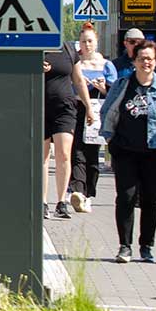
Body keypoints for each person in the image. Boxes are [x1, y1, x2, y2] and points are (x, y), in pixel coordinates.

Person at [100, 42, 156, 263]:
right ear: (134, 61)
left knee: (151, 200)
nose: (146, 62)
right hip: (125, 150)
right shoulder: (122, 85)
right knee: (126, 198)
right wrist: (109, 137)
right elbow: (107, 110)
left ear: (155, 61)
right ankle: (124, 246)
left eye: (150, 58)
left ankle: (146, 245)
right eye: (141, 58)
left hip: (154, 152)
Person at [69, 24, 117, 213]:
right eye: (83, 41)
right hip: (76, 109)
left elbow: (114, 94)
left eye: (90, 41)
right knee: (76, 151)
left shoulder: (106, 66)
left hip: (97, 111)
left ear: (96, 42)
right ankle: (78, 191)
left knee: (92, 154)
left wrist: (102, 88)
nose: (87, 45)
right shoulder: (75, 63)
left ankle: (89, 194)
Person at [43, 50, 95, 219]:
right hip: (39, 106)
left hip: (65, 109)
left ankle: (61, 202)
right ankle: (42, 202)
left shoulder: (69, 50)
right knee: (42, 156)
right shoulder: (36, 48)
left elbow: (78, 80)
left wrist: (88, 106)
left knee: (64, 154)